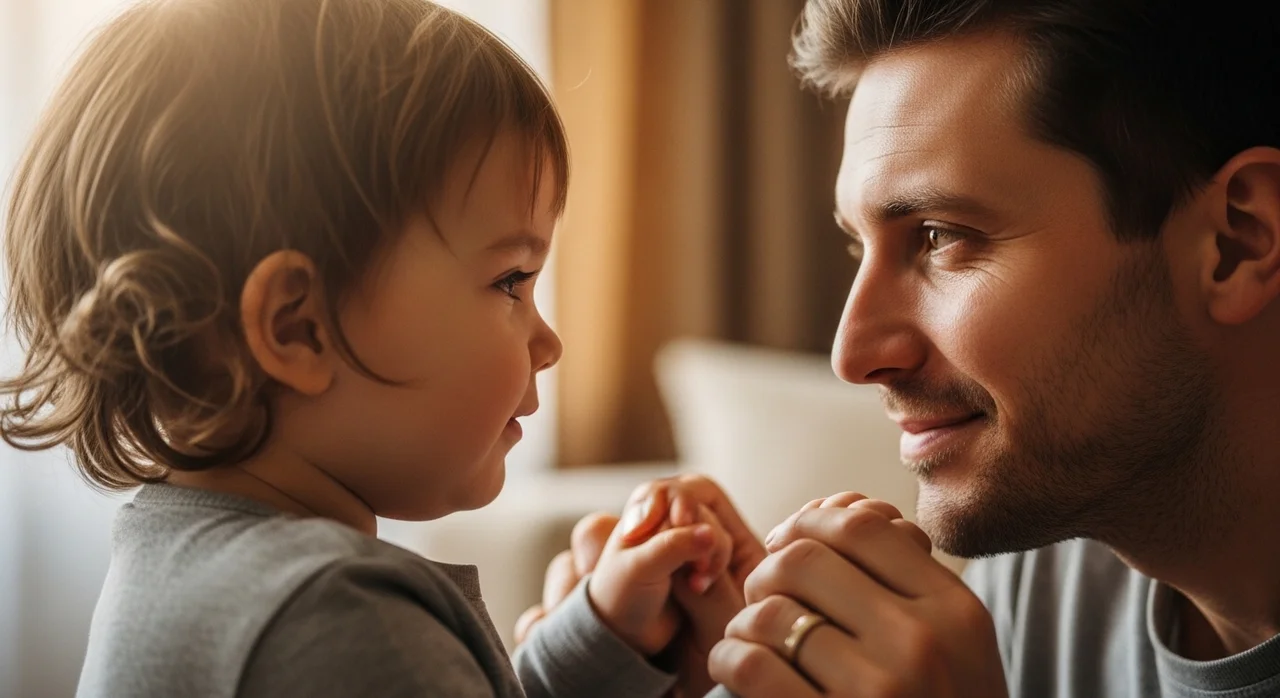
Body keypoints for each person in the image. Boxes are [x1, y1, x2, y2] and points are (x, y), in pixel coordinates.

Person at [528, 1, 1280, 696]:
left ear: (1235, 244)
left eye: (941, 237)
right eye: (861, 246)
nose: (852, 354)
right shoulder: (1050, 564)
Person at [0, 1, 742, 696]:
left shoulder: (196, 570)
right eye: (511, 280)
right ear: (298, 328)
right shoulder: (337, 620)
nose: (547, 342)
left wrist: (601, 645)